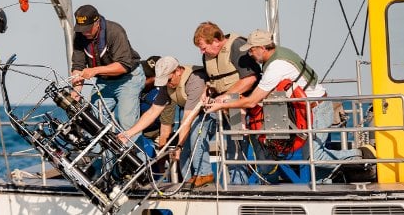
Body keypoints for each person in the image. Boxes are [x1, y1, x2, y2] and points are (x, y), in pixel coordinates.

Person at [205, 29, 377, 181]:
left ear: (263, 48)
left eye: (252, 50)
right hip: (310, 107)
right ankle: (341, 172)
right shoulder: (280, 53)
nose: (250, 54)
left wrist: (222, 104)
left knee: (315, 157)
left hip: (316, 109)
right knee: (311, 157)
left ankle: (362, 154)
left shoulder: (276, 66)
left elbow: (252, 101)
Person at [119, 56, 214, 188]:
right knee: (184, 148)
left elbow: (188, 119)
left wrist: (179, 146)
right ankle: (188, 182)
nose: (168, 84)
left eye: (169, 80)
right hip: (188, 111)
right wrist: (129, 133)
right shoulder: (167, 85)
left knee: (193, 134)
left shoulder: (195, 80)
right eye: (164, 81)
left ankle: (204, 174)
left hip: (210, 111)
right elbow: (153, 112)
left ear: (178, 71)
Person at [193, 21, 263, 184]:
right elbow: (214, 80)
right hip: (221, 106)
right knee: (199, 130)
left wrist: (224, 97)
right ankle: (206, 175)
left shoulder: (237, 46)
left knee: (238, 148)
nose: (202, 51)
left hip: (244, 106)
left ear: (216, 40)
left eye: (203, 47)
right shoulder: (207, 56)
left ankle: (239, 185)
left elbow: (250, 79)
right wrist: (207, 91)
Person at [70, 5, 145, 146]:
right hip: (104, 81)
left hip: (128, 79)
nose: (84, 32)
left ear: (97, 22)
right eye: (81, 29)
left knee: (126, 122)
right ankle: (107, 167)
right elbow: (78, 67)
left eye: (87, 28)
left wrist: (94, 71)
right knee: (94, 123)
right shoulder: (79, 36)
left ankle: (140, 165)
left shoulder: (115, 31)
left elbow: (123, 66)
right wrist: (75, 91)